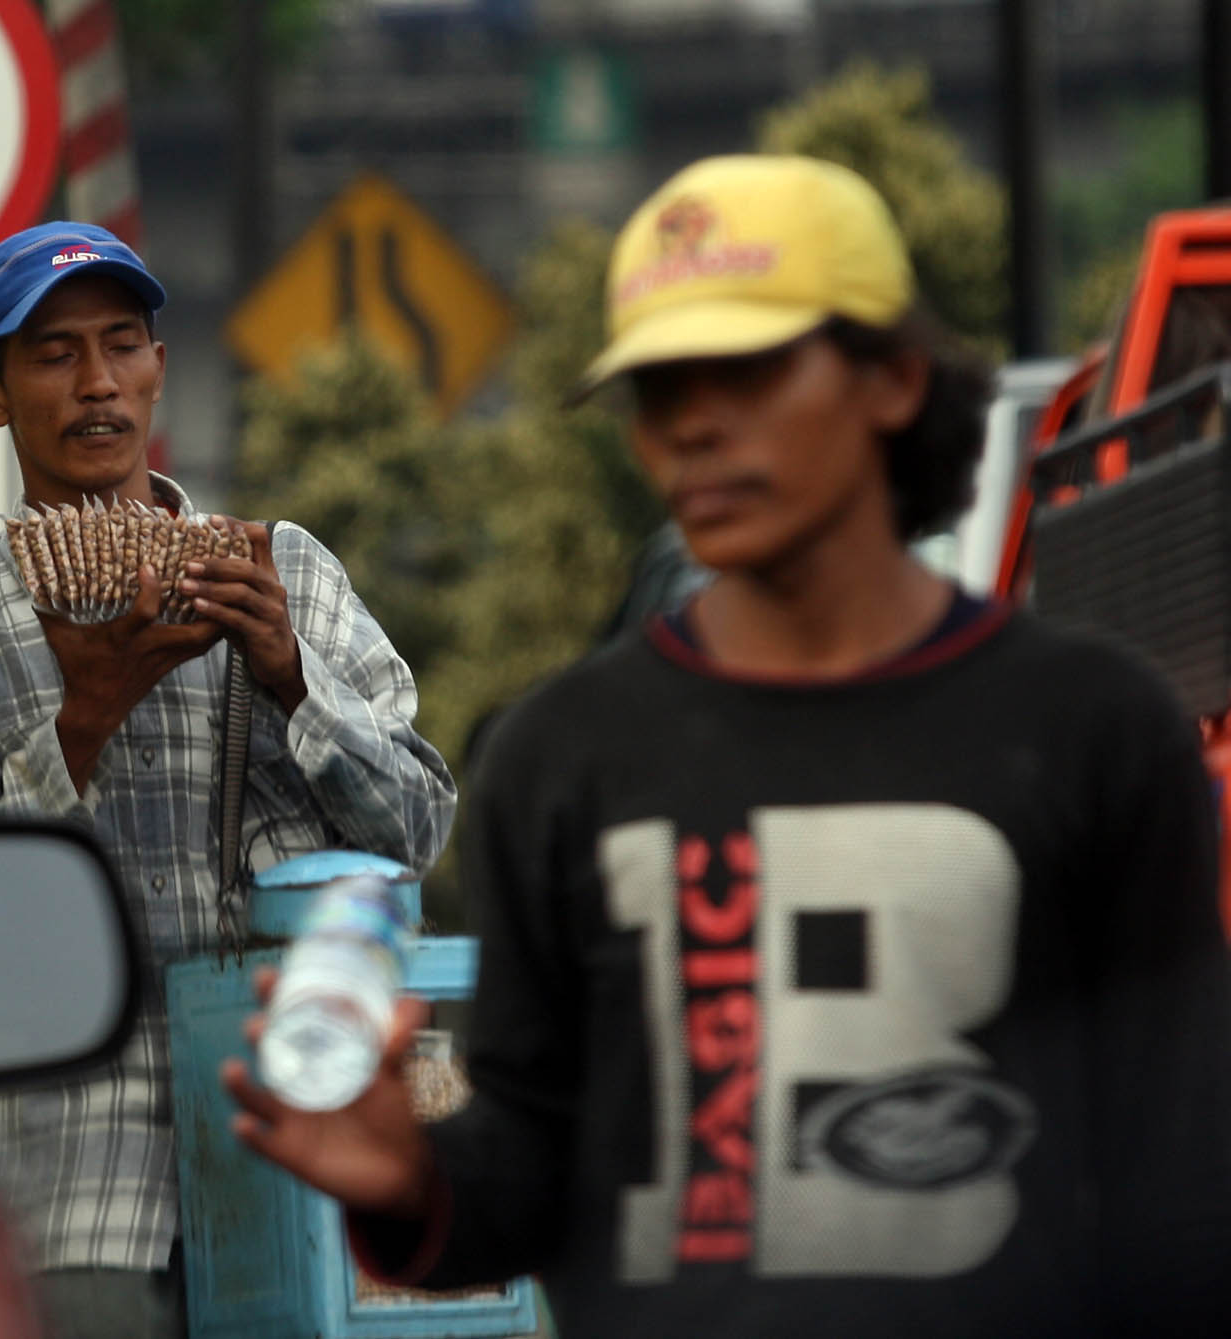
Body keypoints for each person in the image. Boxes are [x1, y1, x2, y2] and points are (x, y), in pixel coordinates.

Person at [222, 154, 1231, 1337]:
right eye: (656, 392)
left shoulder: (1092, 731)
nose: (691, 427)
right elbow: (535, 1173)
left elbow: (1180, 1186)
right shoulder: (559, 758)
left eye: (744, 373)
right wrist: (408, 1178)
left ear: (893, 378)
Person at [0, 221, 456, 1338]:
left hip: (300, 1146)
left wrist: (291, 675)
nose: (96, 383)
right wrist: (84, 715)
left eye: (121, 345)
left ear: (158, 368)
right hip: (74, 1187)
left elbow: (418, 833)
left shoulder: (288, 572)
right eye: (53, 355)